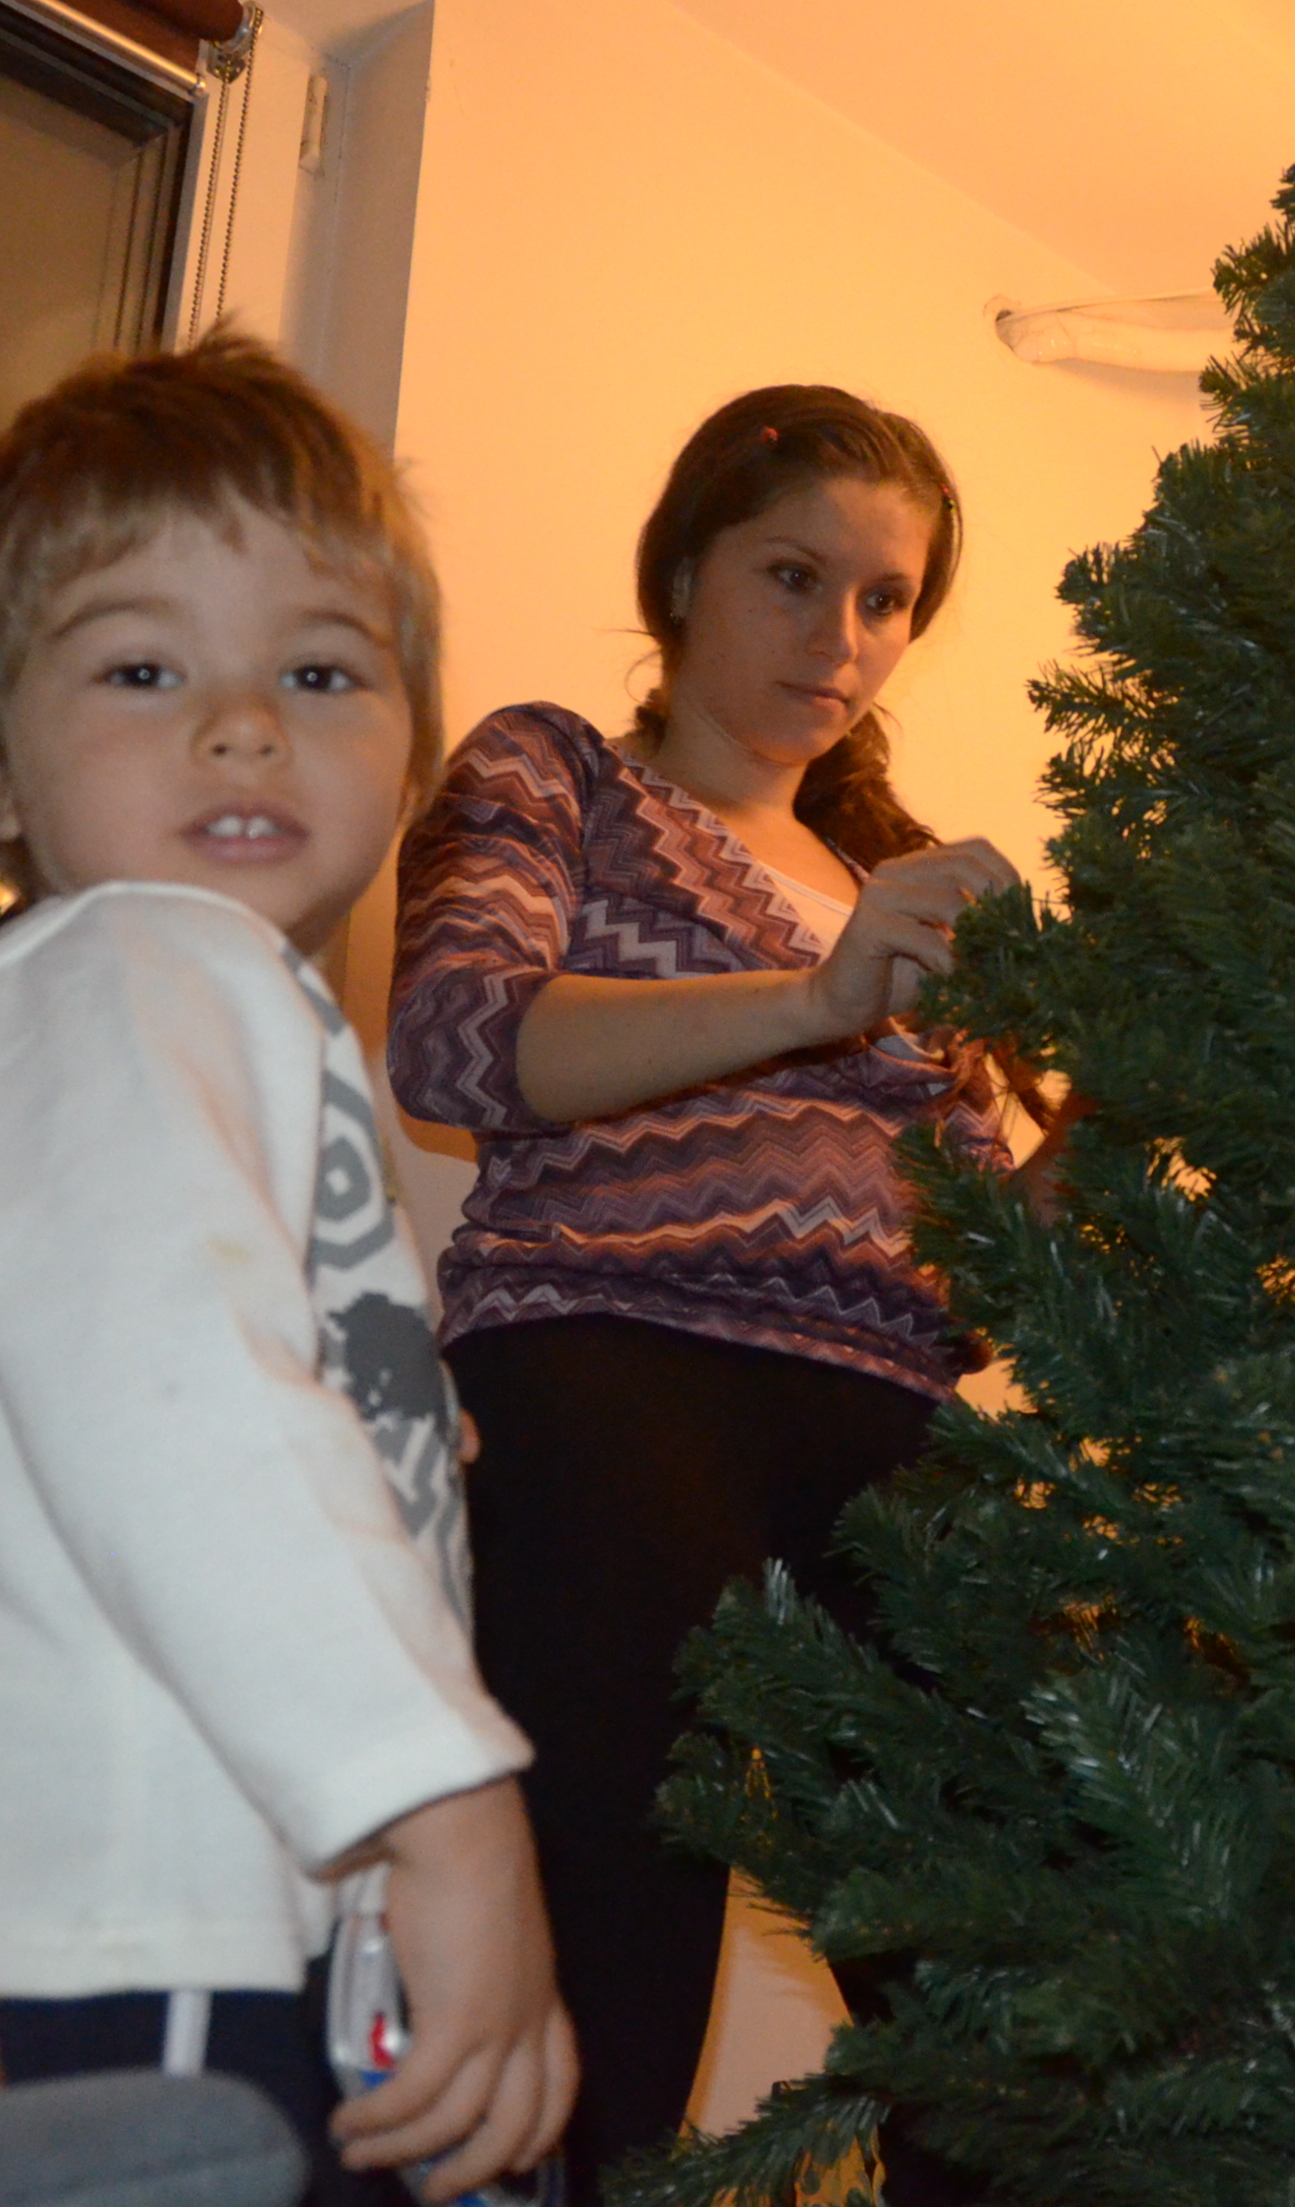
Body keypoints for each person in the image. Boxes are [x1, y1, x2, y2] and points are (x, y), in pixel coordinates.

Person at [0, 335, 576, 2201]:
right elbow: (181, 1405)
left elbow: (165, 1373)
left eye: (320, 671)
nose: (242, 726)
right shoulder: (133, 966)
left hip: (175, 1912)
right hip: (133, 1931)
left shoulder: (203, 1020)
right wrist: (448, 1808)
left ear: (405, 748)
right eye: (145, 670)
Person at [389, 386, 1026, 2200]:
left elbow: (983, 1278)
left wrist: (1138, 1102)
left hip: (890, 1419)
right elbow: (457, 1040)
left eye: (886, 600)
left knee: (1023, 1969)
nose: (843, 638)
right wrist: (822, 998)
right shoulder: (562, 774)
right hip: (609, 1361)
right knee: (611, 1921)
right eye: (793, 575)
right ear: (681, 574)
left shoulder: (906, 892)